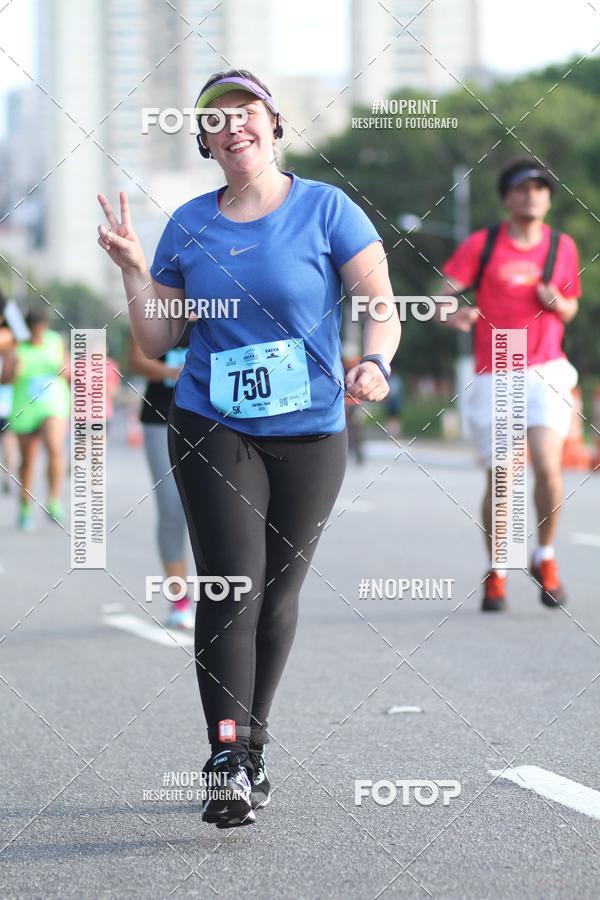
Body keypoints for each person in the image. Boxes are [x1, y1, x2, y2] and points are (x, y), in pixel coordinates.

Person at [98, 68, 400, 829]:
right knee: (233, 585)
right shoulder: (190, 225)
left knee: (278, 596)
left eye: (247, 114)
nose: (234, 127)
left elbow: (380, 306)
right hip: (211, 423)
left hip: (312, 430)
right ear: (203, 141)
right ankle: (227, 755)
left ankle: (253, 746)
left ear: (273, 126)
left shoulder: (327, 208)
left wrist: (376, 360)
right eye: (216, 120)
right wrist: (137, 273)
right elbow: (161, 335)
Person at [436, 158, 581, 612]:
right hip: (497, 369)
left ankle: (546, 556)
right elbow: (441, 293)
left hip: (547, 368)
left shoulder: (562, 246)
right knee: (502, 478)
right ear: (507, 198)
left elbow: (572, 307)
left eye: (541, 188)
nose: (532, 195)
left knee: (547, 464)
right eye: (522, 189)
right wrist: (452, 313)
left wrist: (558, 302)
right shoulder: (485, 244)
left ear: (549, 198)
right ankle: (498, 568)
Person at [129, 323, 195, 630]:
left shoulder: (225, 301)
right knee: (171, 508)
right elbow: (137, 360)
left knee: (217, 511)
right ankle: (179, 599)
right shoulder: (156, 307)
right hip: (161, 417)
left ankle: (225, 597)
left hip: (215, 418)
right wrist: (174, 373)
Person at [6, 308, 70, 530]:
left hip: (53, 404)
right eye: (35, 329)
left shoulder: (55, 342)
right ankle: (24, 507)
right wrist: (13, 371)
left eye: (43, 328)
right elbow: (5, 378)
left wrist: (65, 371)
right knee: (28, 460)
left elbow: (68, 369)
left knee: (54, 446)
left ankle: (53, 501)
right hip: (26, 406)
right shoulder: (18, 348)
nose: (40, 333)